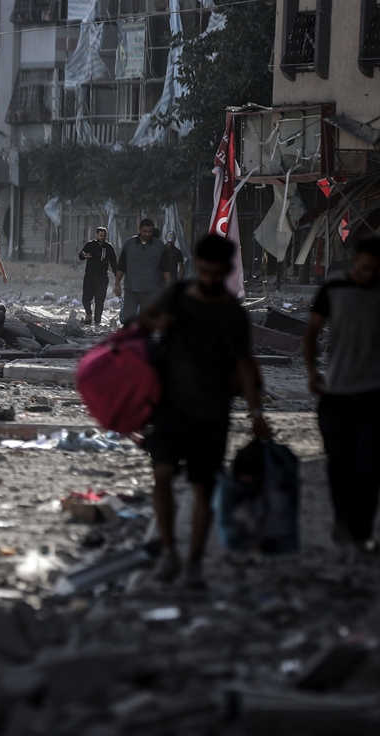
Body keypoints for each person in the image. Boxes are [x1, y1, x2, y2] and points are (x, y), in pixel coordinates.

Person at [139, 234, 271, 589]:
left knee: (203, 490)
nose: (210, 278)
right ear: (196, 267)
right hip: (169, 407)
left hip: (211, 414)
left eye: (217, 273)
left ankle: (194, 562)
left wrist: (256, 413)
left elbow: (244, 365)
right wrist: (157, 323)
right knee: (162, 476)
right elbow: (145, 322)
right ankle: (170, 552)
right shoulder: (178, 295)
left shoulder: (232, 313)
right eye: (204, 271)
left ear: (227, 270)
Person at [302, 236, 380, 554]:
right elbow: (311, 333)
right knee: (339, 463)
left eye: (376, 268)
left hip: (376, 391)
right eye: (365, 266)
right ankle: (343, 519)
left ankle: (362, 532)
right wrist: (313, 372)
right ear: (356, 260)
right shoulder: (334, 290)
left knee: (369, 466)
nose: (369, 273)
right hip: (337, 391)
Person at [114, 218, 171, 324]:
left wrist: (169, 285)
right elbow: (121, 266)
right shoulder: (129, 244)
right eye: (144, 231)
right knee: (128, 318)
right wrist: (117, 283)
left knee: (148, 321)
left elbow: (166, 268)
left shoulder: (159, 246)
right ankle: (129, 339)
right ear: (139, 229)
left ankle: (144, 340)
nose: (147, 234)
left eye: (149, 232)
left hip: (151, 290)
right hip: (131, 289)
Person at [78, 227, 117, 325]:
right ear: (96, 235)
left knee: (99, 301)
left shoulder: (109, 247)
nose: (102, 238)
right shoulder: (90, 245)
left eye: (104, 236)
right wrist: (84, 256)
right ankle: (88, 314)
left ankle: (97, 322)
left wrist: (118, 276)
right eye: (100, 236)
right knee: (86, 299)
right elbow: (81, 255)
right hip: (89, 277)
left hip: (102, 279)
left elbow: (113, 263)